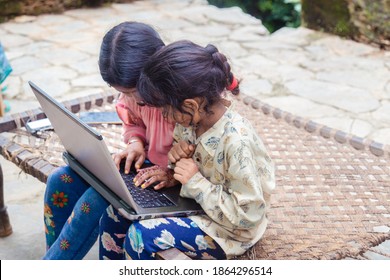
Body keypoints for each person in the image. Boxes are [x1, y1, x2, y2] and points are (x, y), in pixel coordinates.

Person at [98, 40, 275, 260]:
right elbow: (193, 169)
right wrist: (174, 171)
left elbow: (249, 216)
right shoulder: (189, 122)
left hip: (229, 231)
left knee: (142, 236)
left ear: (190, 105)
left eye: (164, 110)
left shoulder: (237, 142)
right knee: (115, 213)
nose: (163, 117)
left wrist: (194, 181)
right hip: (198, 206)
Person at [43, 21, 175, 259]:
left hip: (177, 187)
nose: (130, 98)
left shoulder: (184, 98)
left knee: (97, 198)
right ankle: (56, 258)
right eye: (124, 92)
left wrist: (172, 174)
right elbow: (133, 120)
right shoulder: (135, 93)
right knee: (59, 180)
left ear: (157, 69)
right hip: (145, 172)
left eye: (135, 92)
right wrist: (135, 141)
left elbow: (209, 154)